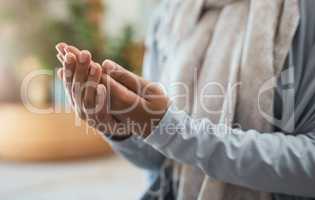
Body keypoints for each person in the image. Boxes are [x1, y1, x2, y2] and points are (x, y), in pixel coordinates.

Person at [56, 0, 315, 199]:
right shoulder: (172, 12)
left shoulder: (304, 13)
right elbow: (157, 160)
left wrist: (171, 130)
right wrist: (121, 129)